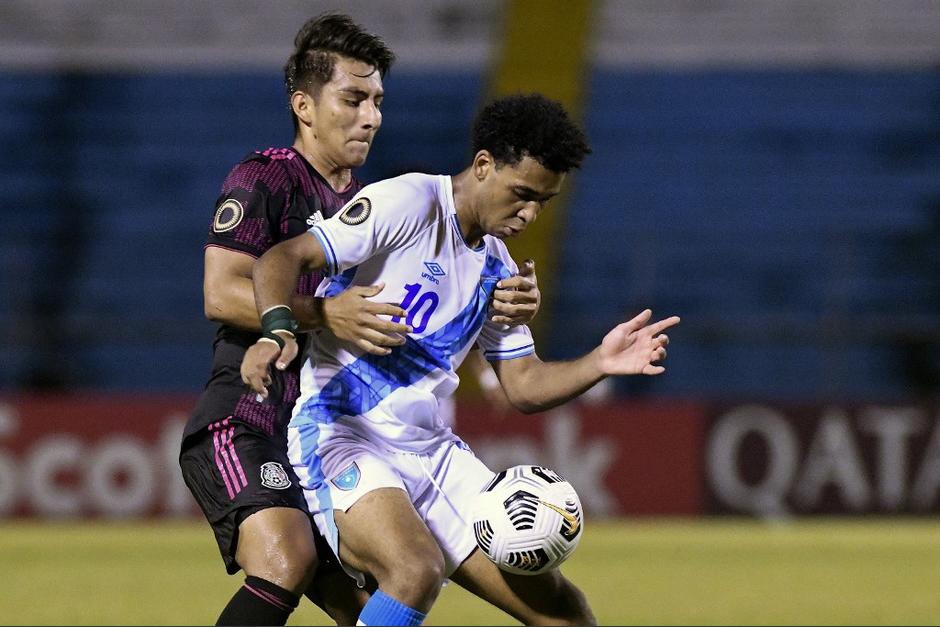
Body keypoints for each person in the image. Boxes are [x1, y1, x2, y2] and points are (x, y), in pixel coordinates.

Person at [240, 93, 680, 626]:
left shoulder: (499, 267)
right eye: (522, 193)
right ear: (483, 165)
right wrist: (277, 329)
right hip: (343, 433)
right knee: (414, 570)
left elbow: (522, 386)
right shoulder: (409, 203)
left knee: (566, 612)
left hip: (433, 453)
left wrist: (599, 362)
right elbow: (282, 257)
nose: (530, 213)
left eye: (545, 200)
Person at [178, 14, 543, 626]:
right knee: (286, 558)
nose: (370, 116)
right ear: (304, 105)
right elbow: (221, 293)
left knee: (376, 610)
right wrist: (323, 313)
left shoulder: (374, 205)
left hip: (331, 432)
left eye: (377, 101)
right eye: (352, 99)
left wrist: (497, 311)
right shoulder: (266, 177)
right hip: (248, 417)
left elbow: (408, 322)